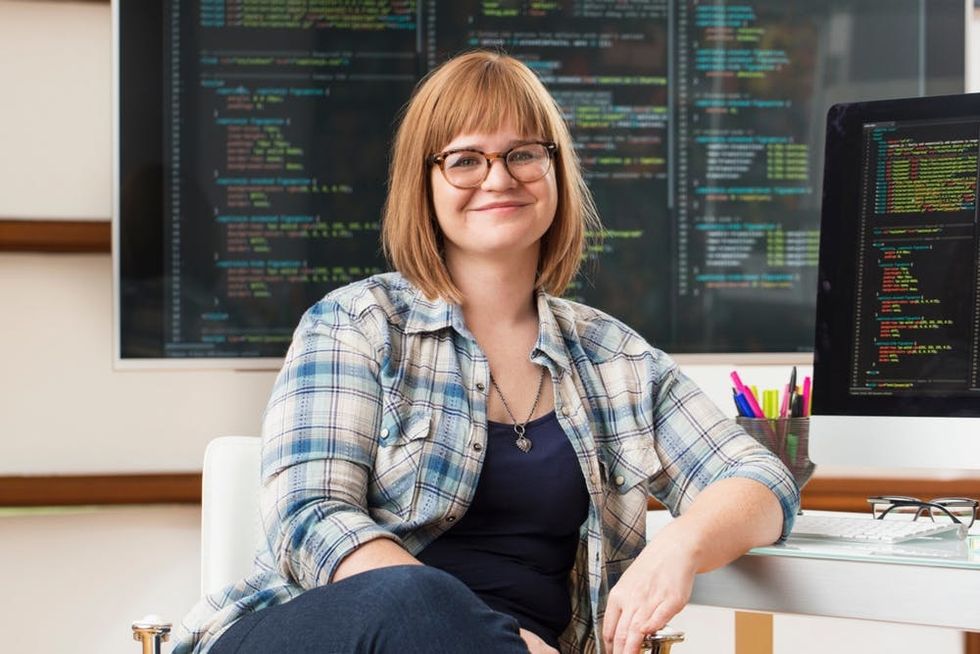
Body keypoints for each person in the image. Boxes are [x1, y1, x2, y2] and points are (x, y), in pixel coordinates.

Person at [173, 50, 800, 654]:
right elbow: (311, 519)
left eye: (524, 153)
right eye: (465, 160)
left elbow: (762, 480)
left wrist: (679, 546)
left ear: (555, 170)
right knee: (414, 599)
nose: (499, 178)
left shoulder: (615, 360)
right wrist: (492, 637)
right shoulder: (354, 324)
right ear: (425, 184)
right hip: (321, 631)